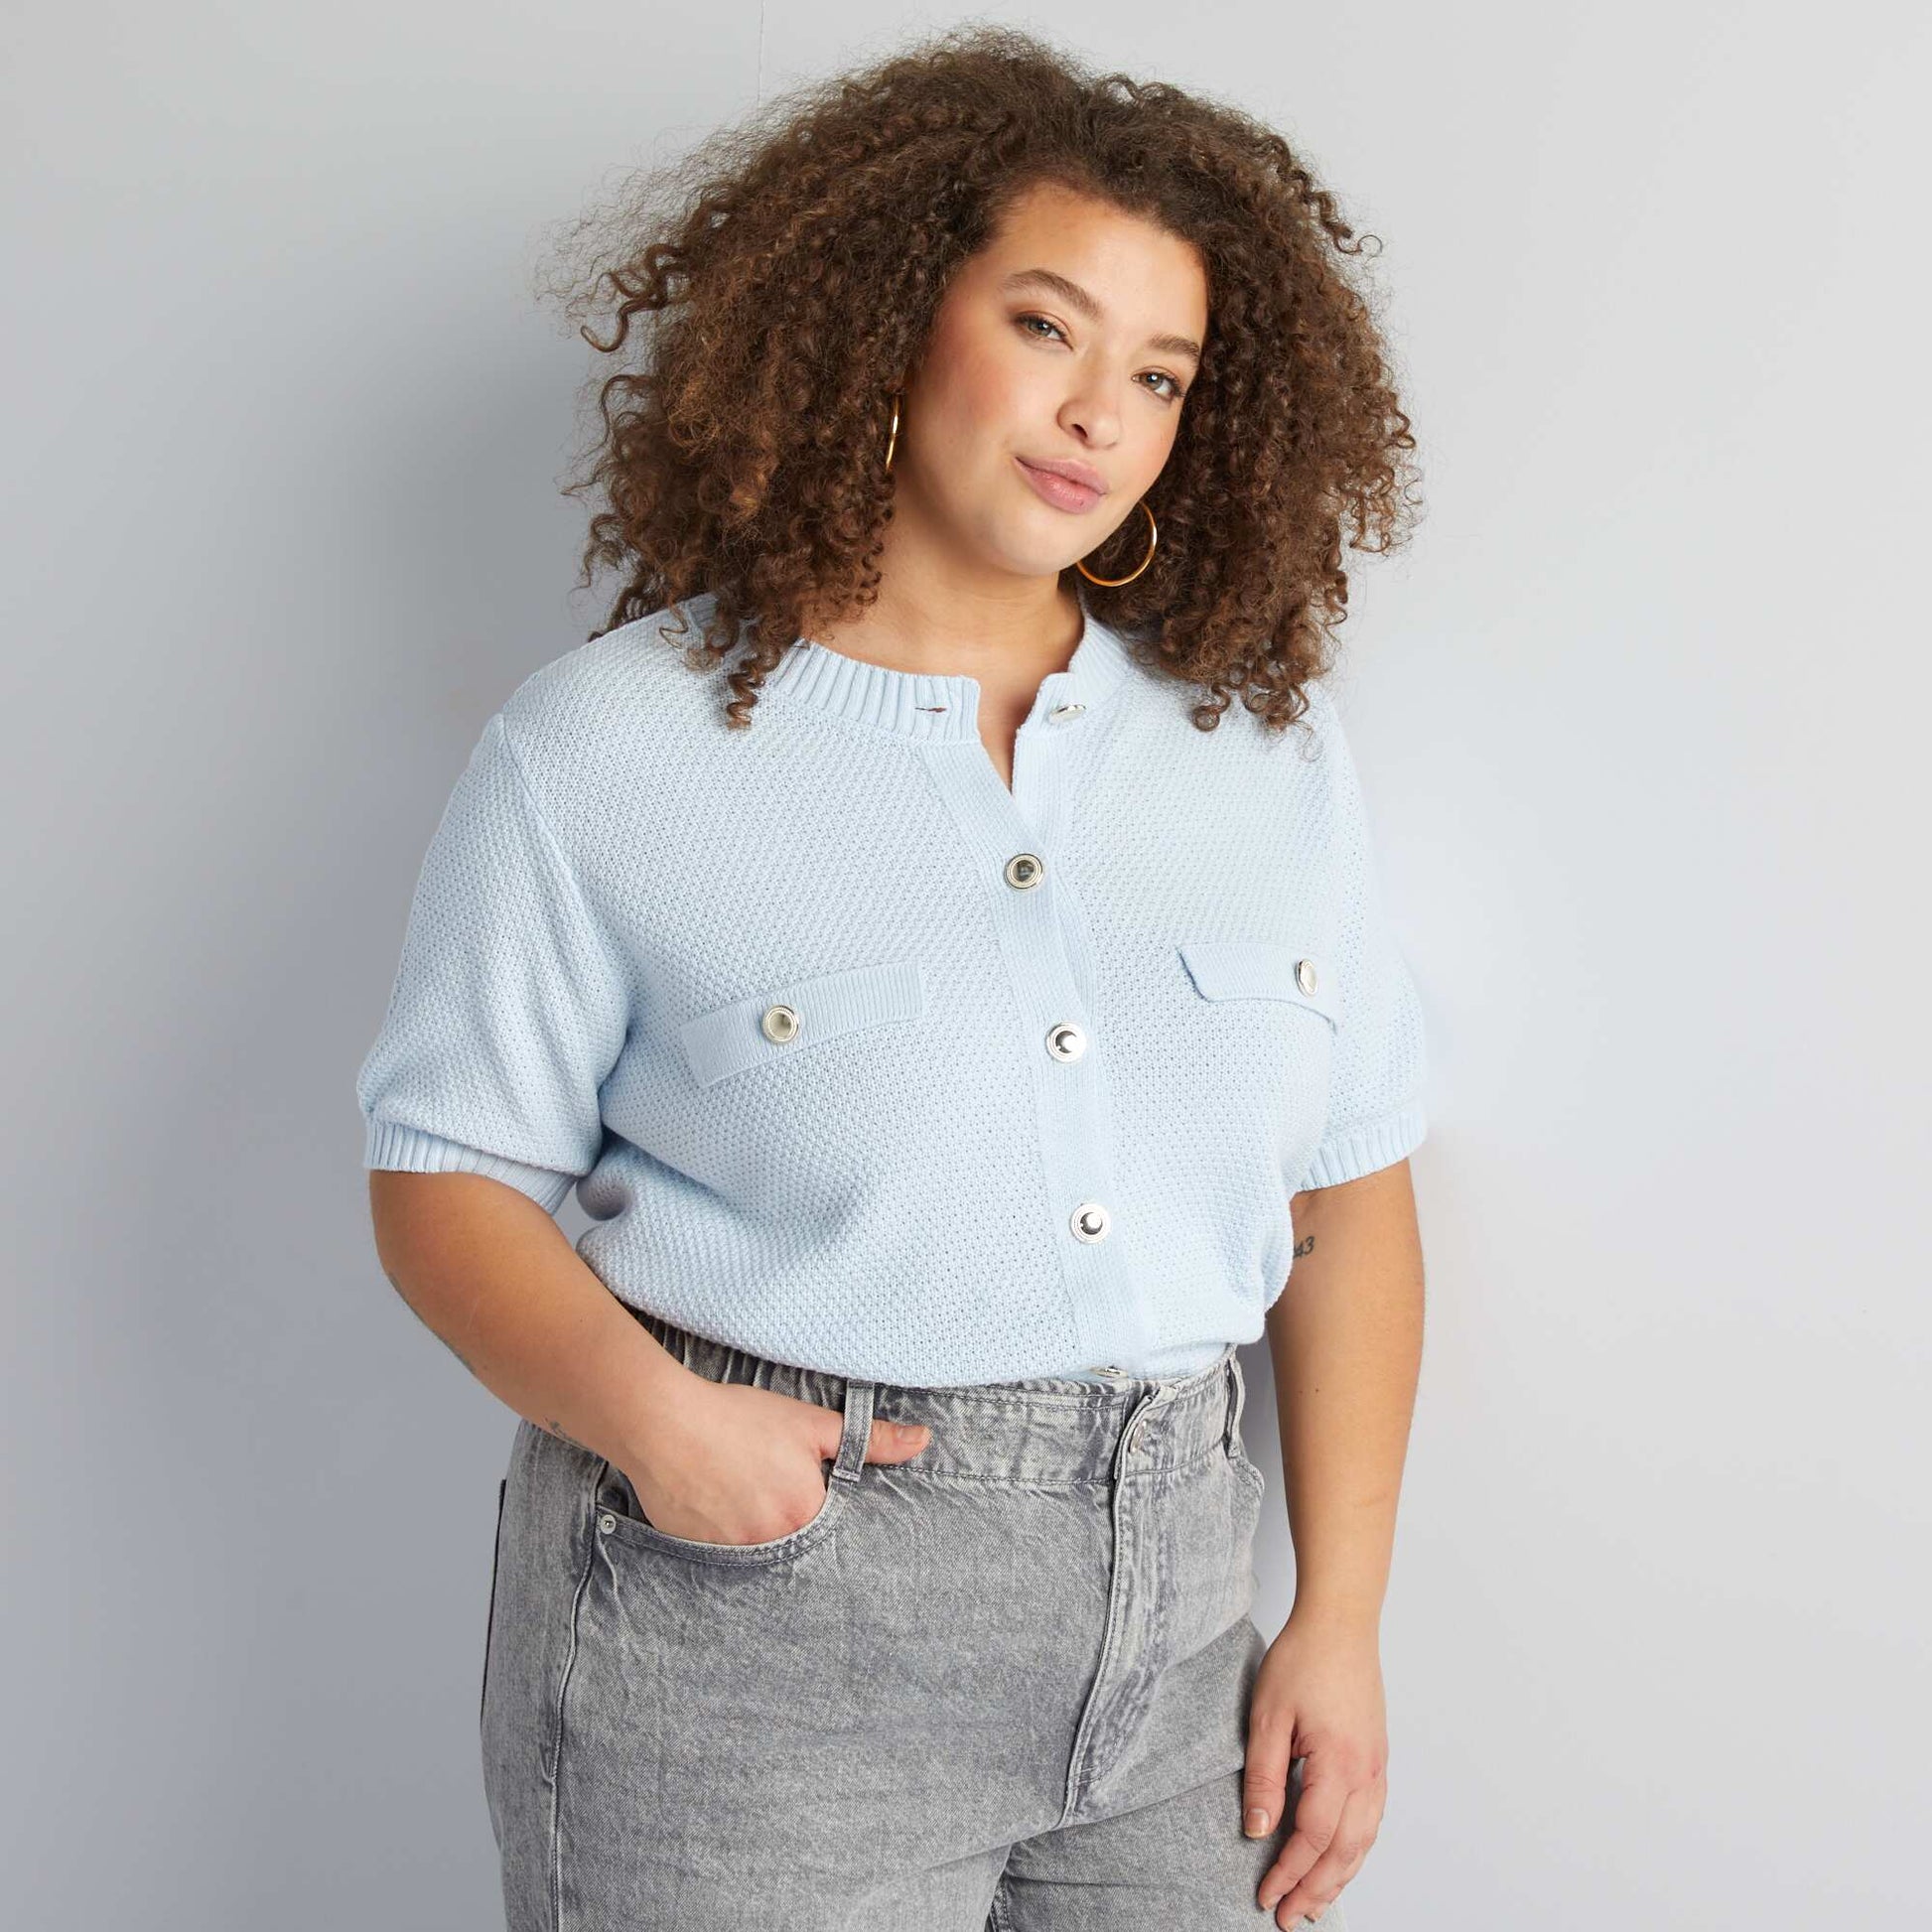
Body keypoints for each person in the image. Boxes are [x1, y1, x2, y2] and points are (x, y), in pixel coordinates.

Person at [355, 26, 1428, 1931]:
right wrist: (659, 1423)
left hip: (1182, 1637)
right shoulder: (608, 750)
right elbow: (444, 1176)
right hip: (749, 1642)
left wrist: (1335, 1618)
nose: (1097, 412)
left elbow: (1347, 1198)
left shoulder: (1259, 750)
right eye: (1043, 326)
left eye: (1159, 373)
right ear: (885, 320)